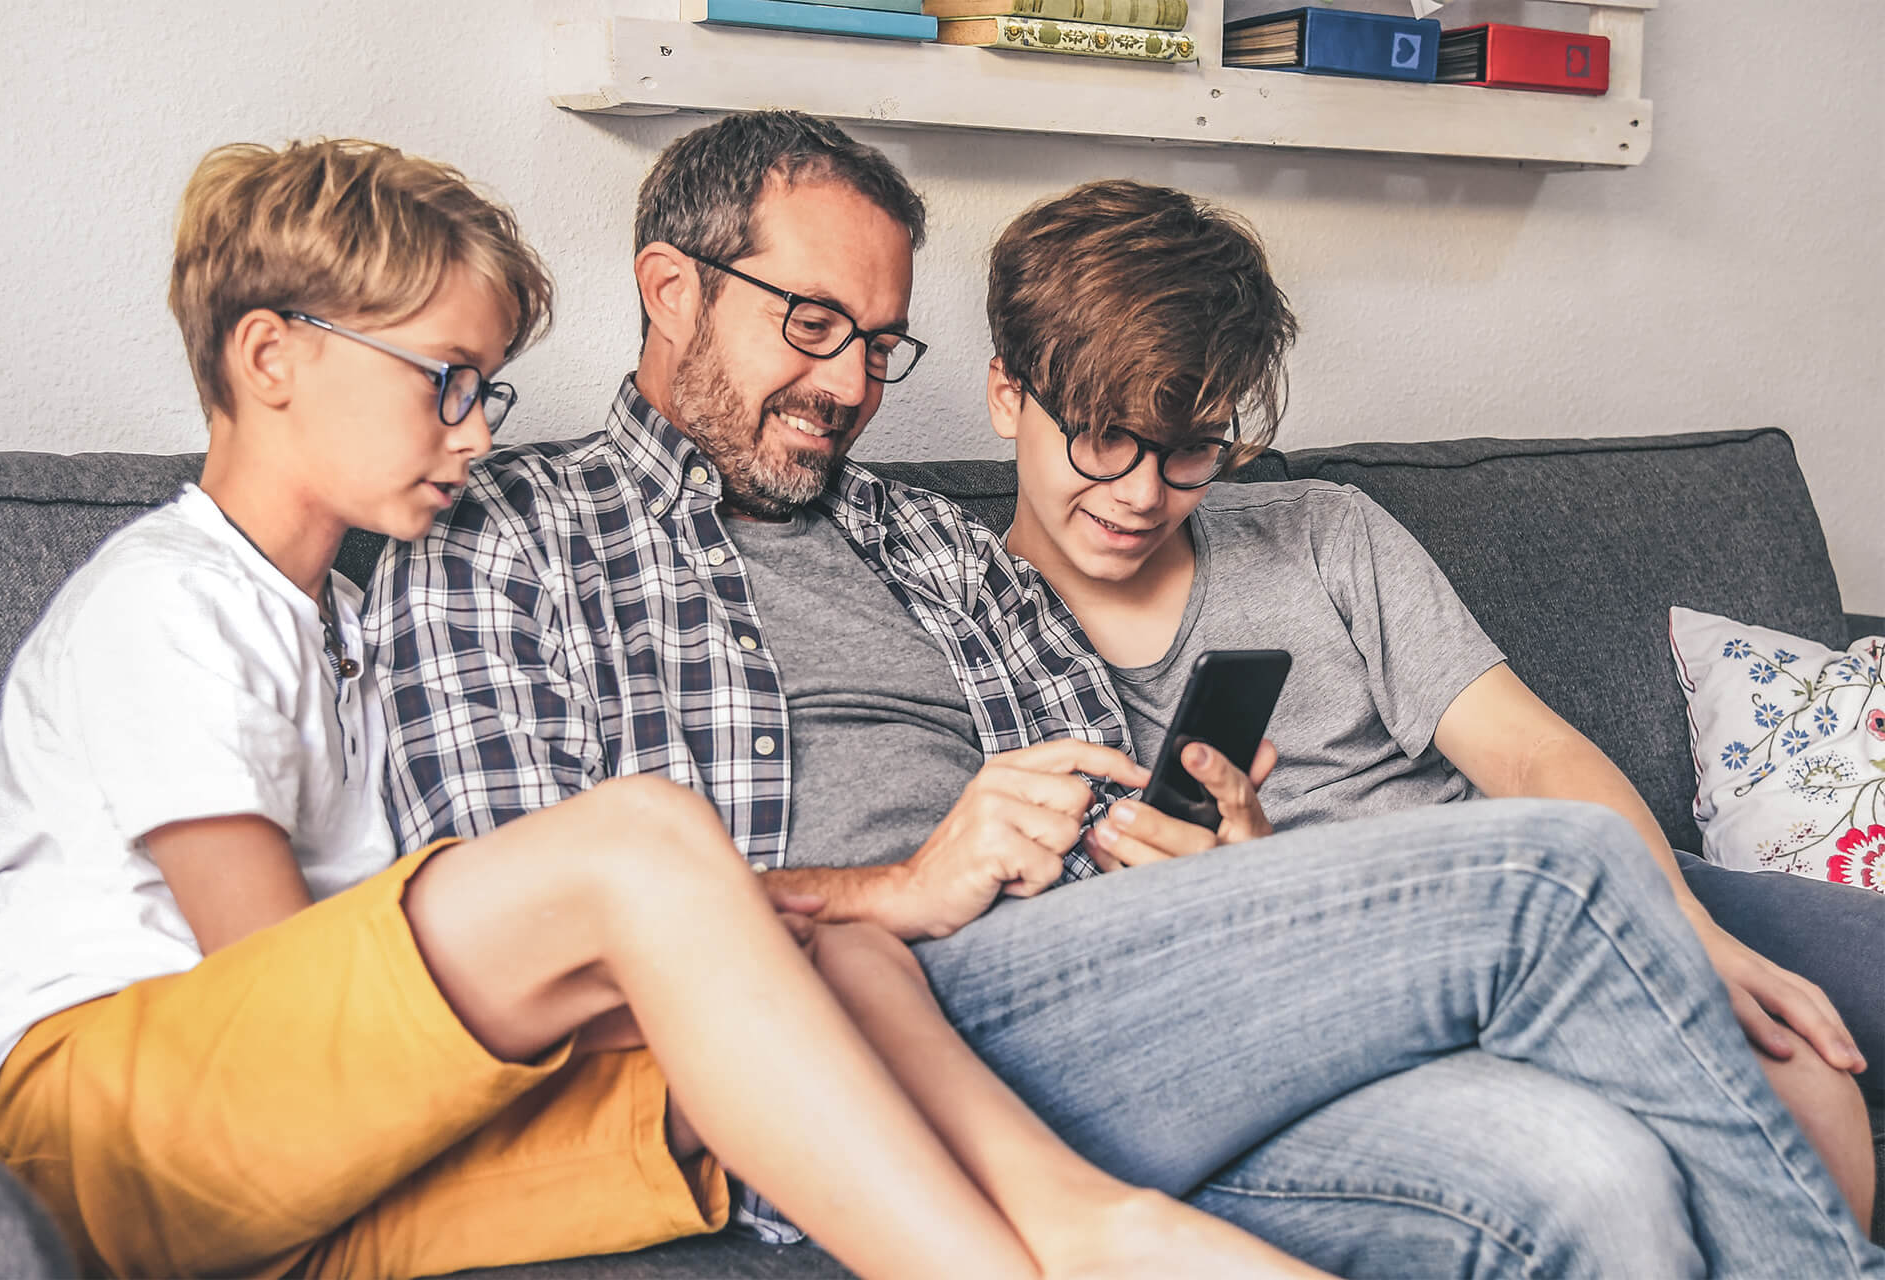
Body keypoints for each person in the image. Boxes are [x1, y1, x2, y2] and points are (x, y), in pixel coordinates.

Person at [371, 109, 1885, 1277]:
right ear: (670, 290)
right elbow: (541, 940)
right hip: (844, 1055)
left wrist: (1205, 871)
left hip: (1102, 1005)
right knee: (1558, 869)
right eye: (810, 323)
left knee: (1579, 1175)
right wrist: (906, 882)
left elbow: (1100, 780)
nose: (847, 385)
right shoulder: (504, 541)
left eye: (881, 343)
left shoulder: (927, 540)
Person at [0, 139, 1318, 1280]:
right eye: (444, 380)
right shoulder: (173, 601)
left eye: (485, 390)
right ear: (271, 356)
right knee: (646, 844)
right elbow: (294, 995)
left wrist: (819, 939)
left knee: (837, 985)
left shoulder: (330, 624)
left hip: (297, 1163)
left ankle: (1086, 1231)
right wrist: (792, 918)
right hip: (104, 1132)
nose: (479, 428)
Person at [982, 177, 1883, 1225]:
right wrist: (1239, 882)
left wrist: (1683, 929)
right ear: (1007, 393)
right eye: (1102, 436)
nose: (1143, 491)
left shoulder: (1322, 530)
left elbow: (1535, 755)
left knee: (1815, 1048)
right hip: (1389, 963)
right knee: (1801, 1081)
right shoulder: (984, 638)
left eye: (1191, 446)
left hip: (1577, 873)